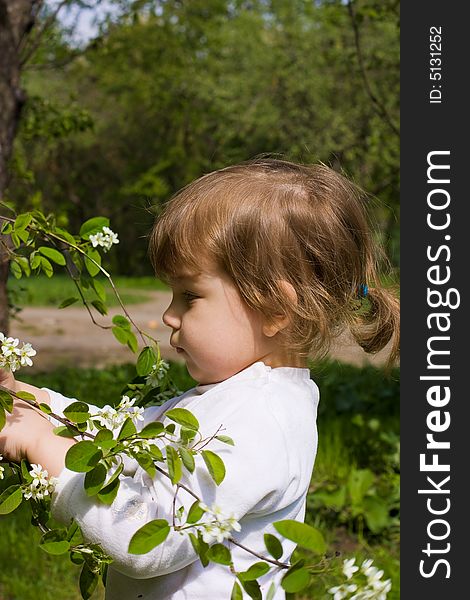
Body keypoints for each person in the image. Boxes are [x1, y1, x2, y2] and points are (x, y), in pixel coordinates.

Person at [0, 158, 399, 599]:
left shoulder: (262, 421)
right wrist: (32, 401)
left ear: (274, 309)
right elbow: (123, 443)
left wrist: (42, 446)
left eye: (190, 295)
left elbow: (150, 538)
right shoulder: (228, 398)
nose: (169, 315)